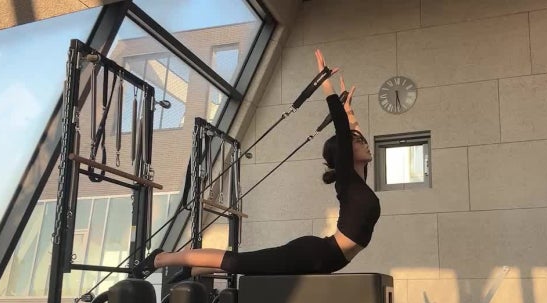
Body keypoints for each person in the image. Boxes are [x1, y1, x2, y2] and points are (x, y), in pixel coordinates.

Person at [133, 49, 379, 278]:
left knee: (246, 265)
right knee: (239, 263)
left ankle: (193, 269)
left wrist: (350, 113)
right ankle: (162, 258)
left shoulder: (357, 181)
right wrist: (325, 82)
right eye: (359, 142)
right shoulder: (347, 181)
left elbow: (351, 133)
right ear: (346, 152)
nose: (366, 145)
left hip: (332, 260)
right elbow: (342, 128)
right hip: (317, 255)